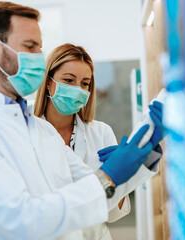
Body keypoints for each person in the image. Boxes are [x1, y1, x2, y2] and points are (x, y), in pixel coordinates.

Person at [0, 1, 164, 239]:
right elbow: (22, 219)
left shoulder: (39, 128)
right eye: (30, 46)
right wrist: (111, 174)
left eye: (39, 48)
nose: (39, 58)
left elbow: (96, 188)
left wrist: (143, 154)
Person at [34, 43, 164, 239]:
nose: (77, 89)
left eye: (84, 83)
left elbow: (112, 213)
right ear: (49, 82)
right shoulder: (29, 134)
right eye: (68, 80)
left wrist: (124, 173)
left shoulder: (101, 132)